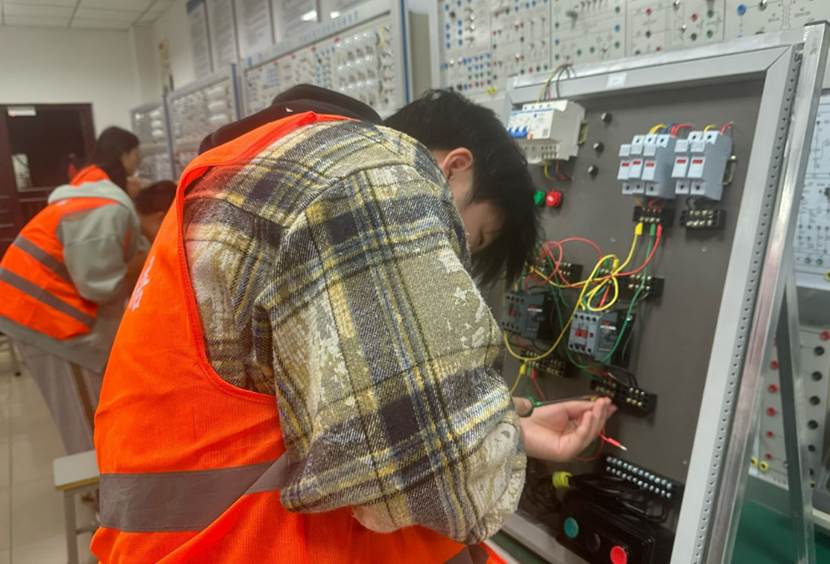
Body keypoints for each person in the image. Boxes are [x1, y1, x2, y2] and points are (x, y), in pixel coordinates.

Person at [92, 86, 615, 562]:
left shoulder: (258, 160)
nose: (457, 260)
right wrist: (494, 436)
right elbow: (440, 487)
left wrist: (502, 424)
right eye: (473, 239)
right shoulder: (371, 172)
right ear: (454, 169)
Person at [0, 126, 147, 454]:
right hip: (46, 318)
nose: (139, 165)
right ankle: (96, 478)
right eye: (136, 155)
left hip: (35, 307)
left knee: (88, 410)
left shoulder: (92, 194)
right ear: (124, 156)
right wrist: (141, 262)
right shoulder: (105, 206)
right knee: (88, 420)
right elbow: (99, 285)